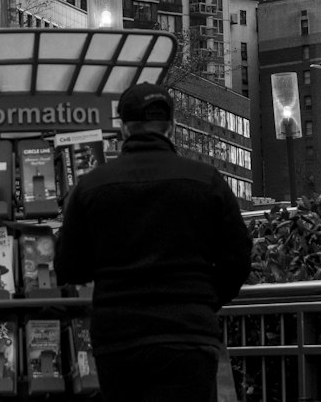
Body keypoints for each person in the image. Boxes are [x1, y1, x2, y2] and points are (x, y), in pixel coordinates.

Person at [54, 83, 252, 402]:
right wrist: (204, 299)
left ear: (122, 128)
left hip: (119, 335)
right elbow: (239, 257)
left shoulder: (90, 187)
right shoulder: (207, 180)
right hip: (189, 332)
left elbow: (68, 266)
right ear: (170, 126)